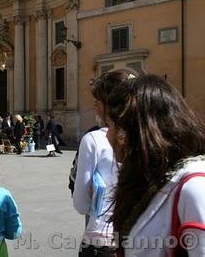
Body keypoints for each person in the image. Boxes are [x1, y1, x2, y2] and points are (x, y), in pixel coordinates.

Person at [105, 75, 205, 256]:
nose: (107, 136)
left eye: (110, 126)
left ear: (132, 130)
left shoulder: (195, 188)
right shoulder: (148, 178)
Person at [73, 70, 130, 256]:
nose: (95, 108)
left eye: (97, 103)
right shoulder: (150, 138)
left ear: (109, 106)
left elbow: (81, 205)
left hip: (101, 238)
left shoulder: (93, 140)